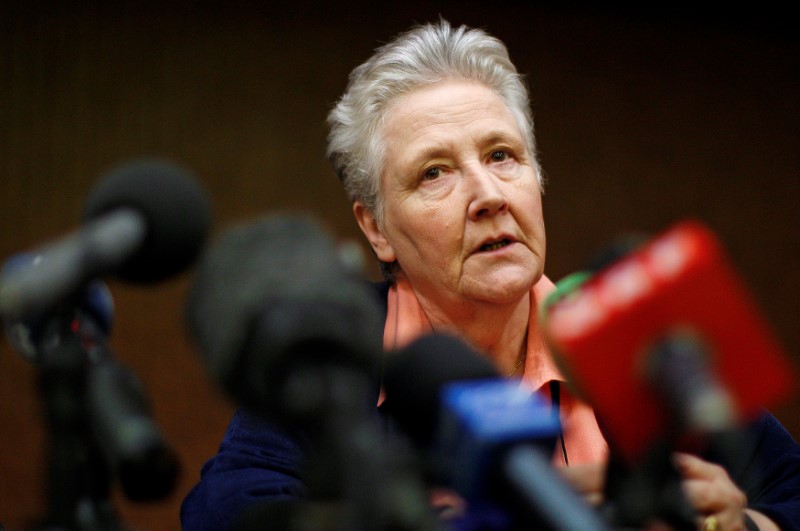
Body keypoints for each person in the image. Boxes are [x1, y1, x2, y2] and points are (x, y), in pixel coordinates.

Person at [181, 19, 800, 530]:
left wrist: (741, 526)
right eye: (434, 173)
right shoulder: (335, 349)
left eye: (502, 156)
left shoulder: (622, 333)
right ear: (376, 229)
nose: (487, 195)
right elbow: (224, 512)